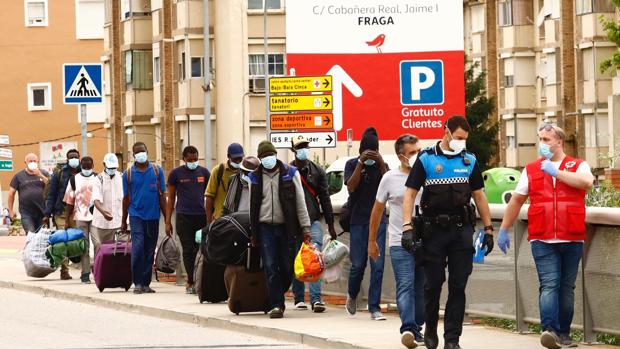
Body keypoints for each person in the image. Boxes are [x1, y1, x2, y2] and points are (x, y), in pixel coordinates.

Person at [402, 116, 495, 349]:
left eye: (465, 139)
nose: (462, 142)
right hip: (433, 231)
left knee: (458, 285)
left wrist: (489, 228)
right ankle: (431, 328)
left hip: (461, 231)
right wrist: (407, 227)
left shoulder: (469, 160)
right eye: (459, 138)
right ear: (447, 132)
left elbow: (480, 196)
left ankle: (452, 339)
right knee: (433, 284)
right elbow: (410, 194)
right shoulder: (426, 159)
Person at [498, 123, 593, 349]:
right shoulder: (531, 169)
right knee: (549, 284)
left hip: (572, 237)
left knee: (566, 287)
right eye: (540, 139)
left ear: (559, 141)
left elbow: (587, 182)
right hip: (543, 238)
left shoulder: (578, 165)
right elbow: (516, 200)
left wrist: (556, 172)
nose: (543, 144)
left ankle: (564, 333)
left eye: (547, 140)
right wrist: (503, 228)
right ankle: (549, 331)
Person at [369, 134, 425, 348]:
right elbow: (377, 211)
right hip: (399, 241)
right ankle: (408, 329)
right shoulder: (390, 178)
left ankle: (417, 325)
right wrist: (372, 242)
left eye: (418, 151)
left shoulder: (428, 175)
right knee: (405, 285)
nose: (417, 156)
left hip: (425, 241)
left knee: (422, 287)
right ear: (401, 156)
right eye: (412, 152)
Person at [248, 140, 311, 319]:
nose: (268, 159)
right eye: (264, 157)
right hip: (265, 227)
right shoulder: (254, 177)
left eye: (270, 155)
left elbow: (300, 202)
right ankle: (277, 304)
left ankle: (275, 294)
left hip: (287, 228)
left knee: (287, 266)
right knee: (269, 265)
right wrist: (254, 232)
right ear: (260, 159)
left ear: (275, 155)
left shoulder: (290, 173)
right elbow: (253, 206)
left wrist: (306, 228)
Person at [344, 127, 389, 321]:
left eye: (373, 151)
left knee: (377, 266)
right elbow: (351, 187)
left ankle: (374, 307)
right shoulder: (352, 164)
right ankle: (352, 294)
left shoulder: (382, 166)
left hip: (379, 222)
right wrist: (361, 164)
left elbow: (390, 186)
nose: (370, 154)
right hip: (359, 220)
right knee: (358, 265)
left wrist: (379, 163)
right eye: (367, 151)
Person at [289, 137, 337, 313]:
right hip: (294, 223)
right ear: (293, 150)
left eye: (306, 147)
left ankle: (316, 300)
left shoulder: (317, 171)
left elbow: (324, 198)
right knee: (298, 257)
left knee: (315, 258)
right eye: (300, 147)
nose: (304, 150)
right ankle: (299, 298)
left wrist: (331, 224)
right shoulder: (288, 171)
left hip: (314, 219)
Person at [121, 142, 166, 294]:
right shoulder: (128, 174)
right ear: (133, 156)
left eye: (143, 151)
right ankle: (137, 282)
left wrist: (167, 220)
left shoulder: (157, 170)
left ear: (147, 152)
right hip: (136, 216)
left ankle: (146, 283)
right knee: (138, 247)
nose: (141, 154)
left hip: (153, 216)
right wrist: (123, 221)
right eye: (138, 152)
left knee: (149, 249)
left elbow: (162, 197)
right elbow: (126, 199)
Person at [165, 146, 210, 294]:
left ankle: (200, 279)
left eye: (195, 159)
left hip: (201, 217)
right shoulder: (175, 174)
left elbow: (210, 196)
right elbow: (170, 198)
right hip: (183, 217)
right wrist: (167, 221)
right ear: (184, 159)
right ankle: (190, 281)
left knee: (200, 250)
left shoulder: (204, 173)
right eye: (190, 160)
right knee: (188, 250)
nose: (193, 162)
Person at [44, 148, 81, 280]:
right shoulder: (59, 174)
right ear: (67, 159)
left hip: (77, 213)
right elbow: (51, 194)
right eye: (71, 157)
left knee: (77, 240)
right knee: (63, 240)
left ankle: (83, 269)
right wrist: (47, 213)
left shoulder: (83, 172)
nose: (74, 159)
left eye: (76, 157)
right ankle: (64, 270)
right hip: (61, 212)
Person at [63, 156, 98, 284]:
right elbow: (69, 202)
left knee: (98, 244)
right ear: (81, 167)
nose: (87, 169)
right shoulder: (74, 179)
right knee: (84, 247)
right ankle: (85, 273)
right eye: (85, 167)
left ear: (93, 165)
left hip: (96, 217)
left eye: (89, 167)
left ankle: (98, 271)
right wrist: (67, 220)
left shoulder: (98, 178)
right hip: (80, 217)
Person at [7, 153, 49, 234]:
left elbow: (51, 185)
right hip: (26, 212)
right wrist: (11, 211)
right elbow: (11, 193)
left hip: (42, 212)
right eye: (30, 161)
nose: (32, 163)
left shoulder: (44, 173)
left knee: (41, 236)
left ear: (38, 162)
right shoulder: (18, 176)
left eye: (34, 161)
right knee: (31, 235)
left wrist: (40, 175)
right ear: (25, 162)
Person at [92, 153, 123, 256]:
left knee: (120, 250)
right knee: (104, 250)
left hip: (119, 221)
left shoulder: (122, 177)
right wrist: (103, 212)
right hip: (103, 223)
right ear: (104, 164)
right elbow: (96, 200)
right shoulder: (98, 179)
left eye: (114, 167)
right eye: (110, 167)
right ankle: (100, 271)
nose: (112, 169)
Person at [204, 143, 244, 224]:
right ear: (228, 156)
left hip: (240, 220)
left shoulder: (245, 171)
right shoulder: (218, 171)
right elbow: (209, 197)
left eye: (240, 158)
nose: (238, 161)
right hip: (220, 219)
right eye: (235, 159)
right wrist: (208, 220)